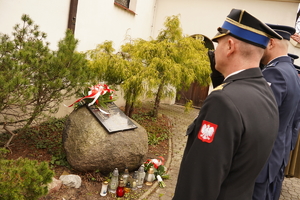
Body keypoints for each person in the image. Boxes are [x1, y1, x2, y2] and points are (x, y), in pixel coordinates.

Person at [172, 8, 280, 200]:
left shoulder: (222, 101)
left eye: (218, 42)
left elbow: (199, 185)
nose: (215, 49)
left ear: (230, 46)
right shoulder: (265, 93)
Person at [253, 24, 300, 200]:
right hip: (277, 155)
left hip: (264, 160)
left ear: (271, 43)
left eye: (261, 42)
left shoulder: (274, 73)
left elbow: (260, 121)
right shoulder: (291, 72)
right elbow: (294, 120)